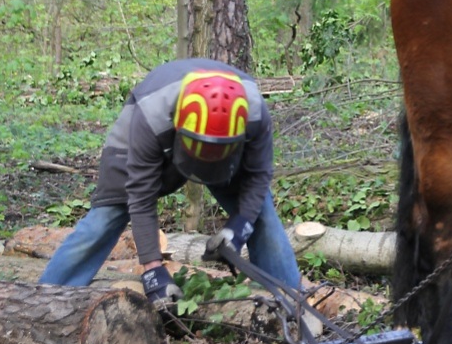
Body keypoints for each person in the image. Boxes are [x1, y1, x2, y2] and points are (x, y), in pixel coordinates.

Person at [39, 58, 301, 307]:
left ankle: (291, 303)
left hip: (227, 150)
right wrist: (153, 269)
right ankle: (45, 303)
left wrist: (240, 226)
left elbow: (258, 175)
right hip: (151, 135)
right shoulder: (150, 115)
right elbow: (140, 197)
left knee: (261, 216)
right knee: (103, 220)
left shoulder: (254, 113)